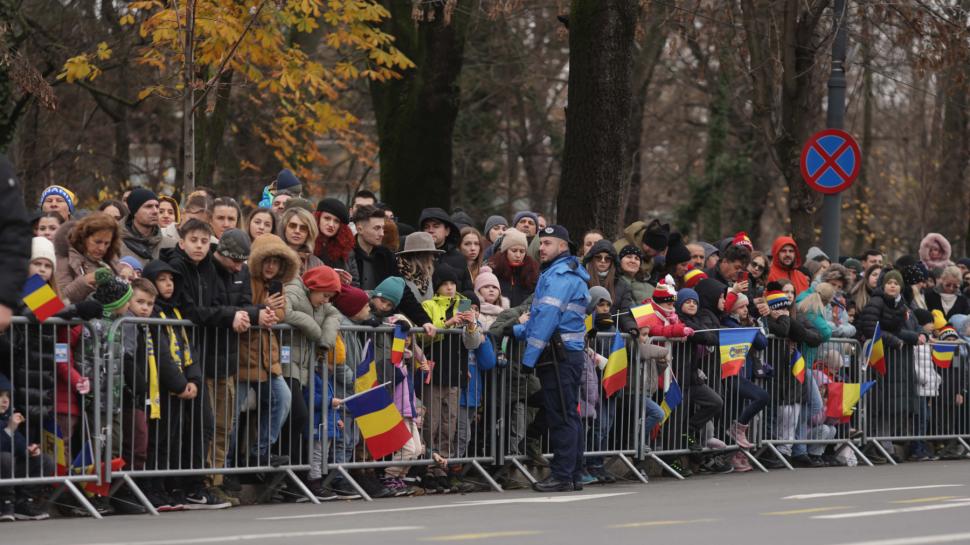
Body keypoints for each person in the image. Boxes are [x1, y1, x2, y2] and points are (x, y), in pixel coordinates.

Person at [512, 225, 589, 492]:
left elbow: (546, 318)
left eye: (547, 243)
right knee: (569, 414)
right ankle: (573, 474)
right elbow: (544, 318)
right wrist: (518, 330)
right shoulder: (566, 273)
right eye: (541, 243)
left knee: (561, 416)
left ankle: (563, 475)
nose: (541, 247)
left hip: (558, 354)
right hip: (566, 352)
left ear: (563, 246)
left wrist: (528, 359)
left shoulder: (559, 275)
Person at [281, 265, 341, 486]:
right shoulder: (294, 291)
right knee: (298, 415)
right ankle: (286, 469)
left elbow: (335, 315)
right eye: (325, 295)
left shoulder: (322, 303)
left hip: (304, 367)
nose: (326, 300)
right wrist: (316, 330)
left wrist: (325, 341)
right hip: (286, 363)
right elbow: (285, 312)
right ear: (314, 287)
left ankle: (294, 475)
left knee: (299, 418)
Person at [54, 212, 122, 304]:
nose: (102, 248)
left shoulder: (111, 261)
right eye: (97, 242)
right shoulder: (65, 258)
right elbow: (59, 301)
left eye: (107, 243)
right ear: (84, 237)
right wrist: (84, 282)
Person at [0, 155, 32, 332]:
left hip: (27, 356)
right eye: (40, 263)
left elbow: (52, 312)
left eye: (47, 265)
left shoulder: (32, 282)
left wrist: (79, 310)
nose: (42, 269)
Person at [583, 240, 636, 334]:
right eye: (598, 257)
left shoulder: (623, 286)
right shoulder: (581, 280)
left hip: (611, 334)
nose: (603, 261)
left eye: (607, 258)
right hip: (585, 332)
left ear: (612, 261)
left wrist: (631, 328)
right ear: (592, 258)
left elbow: (625, 313)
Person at [418, 207, 473, 292]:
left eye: (436, 226)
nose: (430, 230)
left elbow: (468, 292)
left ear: (447, 231)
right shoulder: (416, 257)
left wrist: (462, 306)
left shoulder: (459, 258)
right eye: (426, 227)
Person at [487, 228, 539, 307]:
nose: (518, 255)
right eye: (514, 251)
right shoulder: (492, 271)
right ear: (505, 251)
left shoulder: (532, 273)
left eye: (522, 251)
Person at [352, 204, 399, 290]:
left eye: (383, 228)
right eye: (377, 228)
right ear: (359, 229)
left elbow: (400, 287)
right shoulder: (347, 255)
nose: (382, 234)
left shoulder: (387, 255)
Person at [314, 198, 359, 285]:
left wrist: (348, 283)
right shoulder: (307, 244)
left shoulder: (346, 249)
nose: (331, 225)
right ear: (318, 218)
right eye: (327, 218)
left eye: (336, 221)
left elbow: (356, 283)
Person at [121, 187, 163, 265]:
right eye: (148, 206)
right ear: (134, 211)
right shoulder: (116, 245)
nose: (155, 211)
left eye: (157, 206)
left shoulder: (170, 245)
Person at [397, 232, 442, 303]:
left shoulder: (429, 276)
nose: (432, 258)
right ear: (418, 255)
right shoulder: (399, 276)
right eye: (429, 254)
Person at [279, 206, 323, 275]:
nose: (297, 231)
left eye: (303, 228)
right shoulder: (273, 255)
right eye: (292, 226)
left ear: (309, 233)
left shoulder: (316, 263)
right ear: (284, 228)